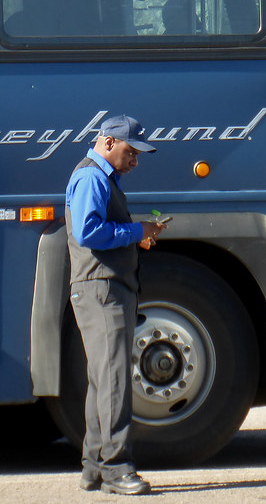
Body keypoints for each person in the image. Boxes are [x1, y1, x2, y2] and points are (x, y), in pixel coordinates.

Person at [64, 115, 165, 496]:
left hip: (100, 287)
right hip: (103, 289)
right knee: (115, 381)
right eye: (131, 151)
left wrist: (135, 235)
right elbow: (88, 232)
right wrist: (137, 231)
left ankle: (94, 466)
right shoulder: (92, 177)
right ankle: (116, 468)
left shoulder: (97, 177)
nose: (135, 160)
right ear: (108, 143)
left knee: (103, 380)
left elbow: (92, 230)